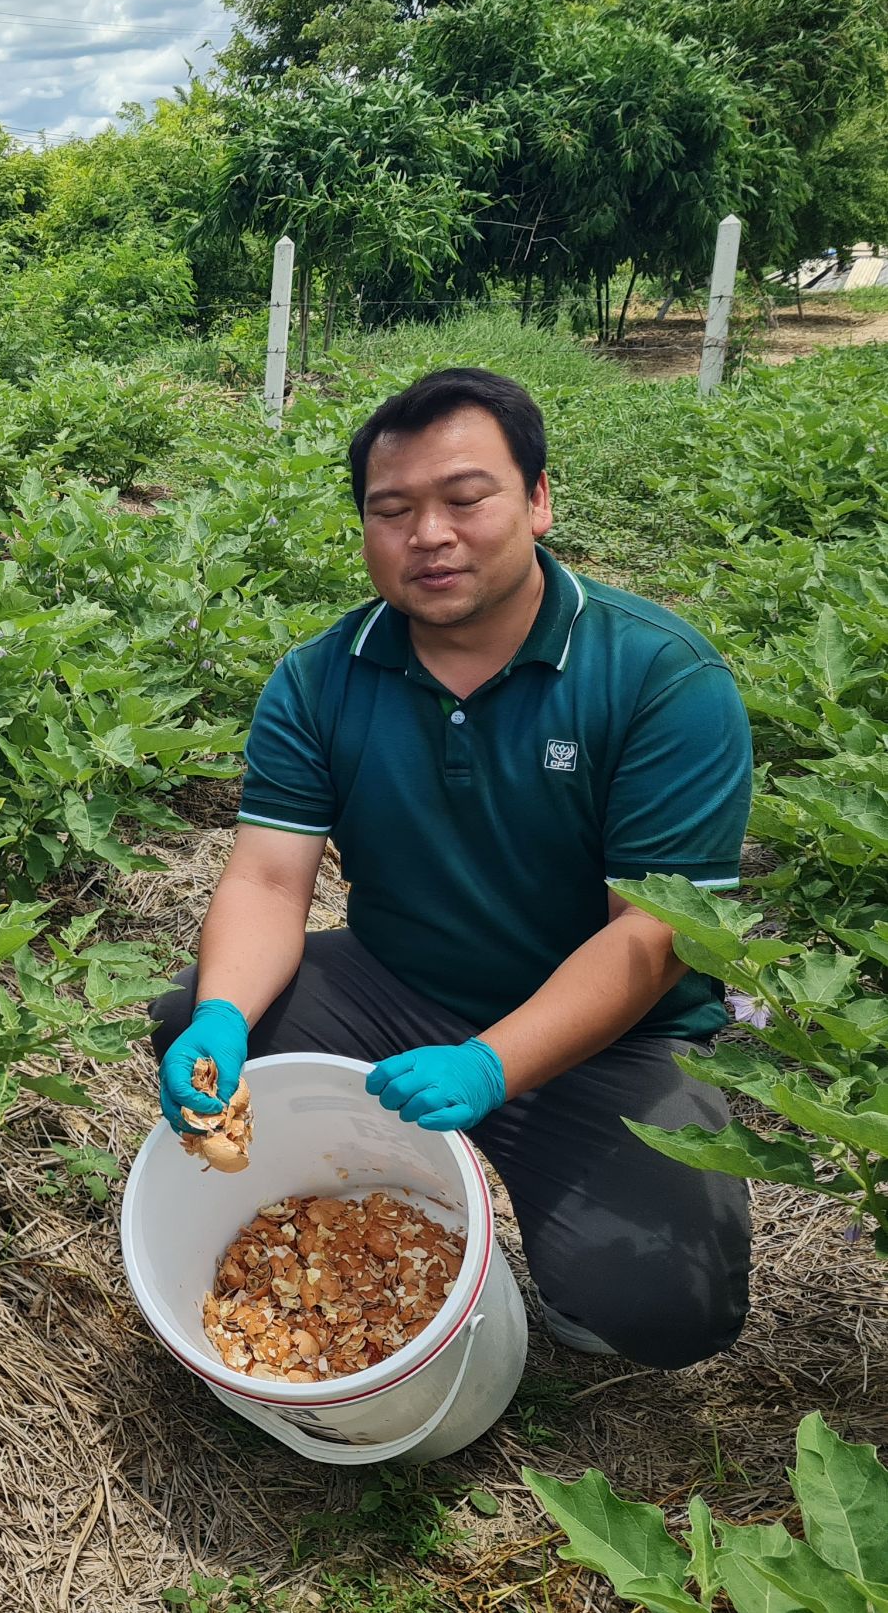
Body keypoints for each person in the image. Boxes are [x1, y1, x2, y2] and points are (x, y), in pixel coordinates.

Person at [151, 367, 754, 1369]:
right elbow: (265, 882)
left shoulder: (657, 678)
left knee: (665, 1305)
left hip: (614, 1039)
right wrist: (221, 1015)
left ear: (540, 500)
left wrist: (493, 1066)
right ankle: (385, 1184)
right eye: (392, 510)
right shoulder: (321, 678)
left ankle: (535, 1202)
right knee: (200, 1018)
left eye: (464, 499)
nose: (428, 534)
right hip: (402, 992)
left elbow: (650, 939)